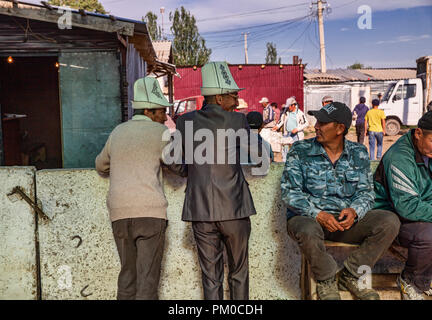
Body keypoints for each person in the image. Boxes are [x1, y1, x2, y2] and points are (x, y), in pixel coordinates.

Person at [281, 101, 400, 300]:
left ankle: (351, 275)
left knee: (389, 222)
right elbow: (290, 192)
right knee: (306, 229)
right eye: (317, 121)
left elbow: (366, 193)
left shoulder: (358, 153)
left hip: (345, 224)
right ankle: (326, 278)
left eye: (323, 122)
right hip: (310, 220)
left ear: (340, 129)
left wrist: (355, 212)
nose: (316, 126)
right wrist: (317, 214)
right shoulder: (300, 150)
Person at [175, 61, 270, 300]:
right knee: (238, 272)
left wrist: (194, 169)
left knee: (210, 277)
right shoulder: (237, 121)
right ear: (218, 98)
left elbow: (173, 163)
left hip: (200, 211)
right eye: (233, 96)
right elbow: (260, 157)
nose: (237, 101)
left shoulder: (184, 122)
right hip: (234, 209)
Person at [95, 77, 185, 300]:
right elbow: (178, 167)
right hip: (150, 214)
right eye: (161, 112)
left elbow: (100, 165)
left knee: (128, 275)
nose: (165, 117)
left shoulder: (117, 132)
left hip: (120, 213)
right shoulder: (160, 134)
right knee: (147, 279)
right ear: (148, 111)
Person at [374, 111, 432, 300]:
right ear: (418, 134)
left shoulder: (427, 151)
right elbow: (407, 207)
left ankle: (426, 279)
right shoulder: (399, 158)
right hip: (389, 218)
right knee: (428, 235)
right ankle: (411, 280)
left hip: (418, 214)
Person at [272, 96, 309, 162]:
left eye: (289, 106)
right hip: (287, 133)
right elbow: (282, 120)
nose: (288, 108)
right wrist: (277, 126)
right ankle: (284, 162)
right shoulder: (286, 112)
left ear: (293, 105)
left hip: (296, 134)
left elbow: (306, 123)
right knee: (285, 148)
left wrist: (297, 129)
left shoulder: (300, 113)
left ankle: (297, 163)